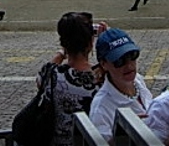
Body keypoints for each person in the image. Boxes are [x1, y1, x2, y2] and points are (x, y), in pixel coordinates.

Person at [40, 11, 102, 145]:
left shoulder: (52, 75)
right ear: (90, 42)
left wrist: (62, 52)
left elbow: (45, 72)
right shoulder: (99, 78)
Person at [89, 28, 153, 143]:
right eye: (119, 61)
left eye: (132, 55)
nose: (129, 65)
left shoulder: (138, 80)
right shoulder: (101, 108)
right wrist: (123, 134)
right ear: (104, 64)